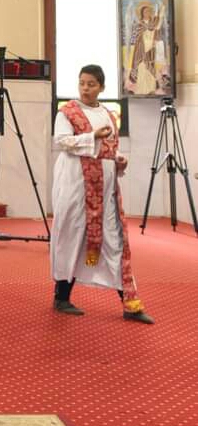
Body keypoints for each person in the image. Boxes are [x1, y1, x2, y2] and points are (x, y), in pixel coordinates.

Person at [51, 63, 154, 324]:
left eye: (91, 84)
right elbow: (61, 141)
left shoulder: (107, 113)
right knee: (71, 239)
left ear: (102, 87)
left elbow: (109, 149)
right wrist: (92, 136)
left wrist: (119, 160)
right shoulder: (67, 112)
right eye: (82, 83)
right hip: (75, 187)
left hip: (104, 191)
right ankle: (61, 297)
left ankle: (130, 304)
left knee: (115, 242)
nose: (85, 89)